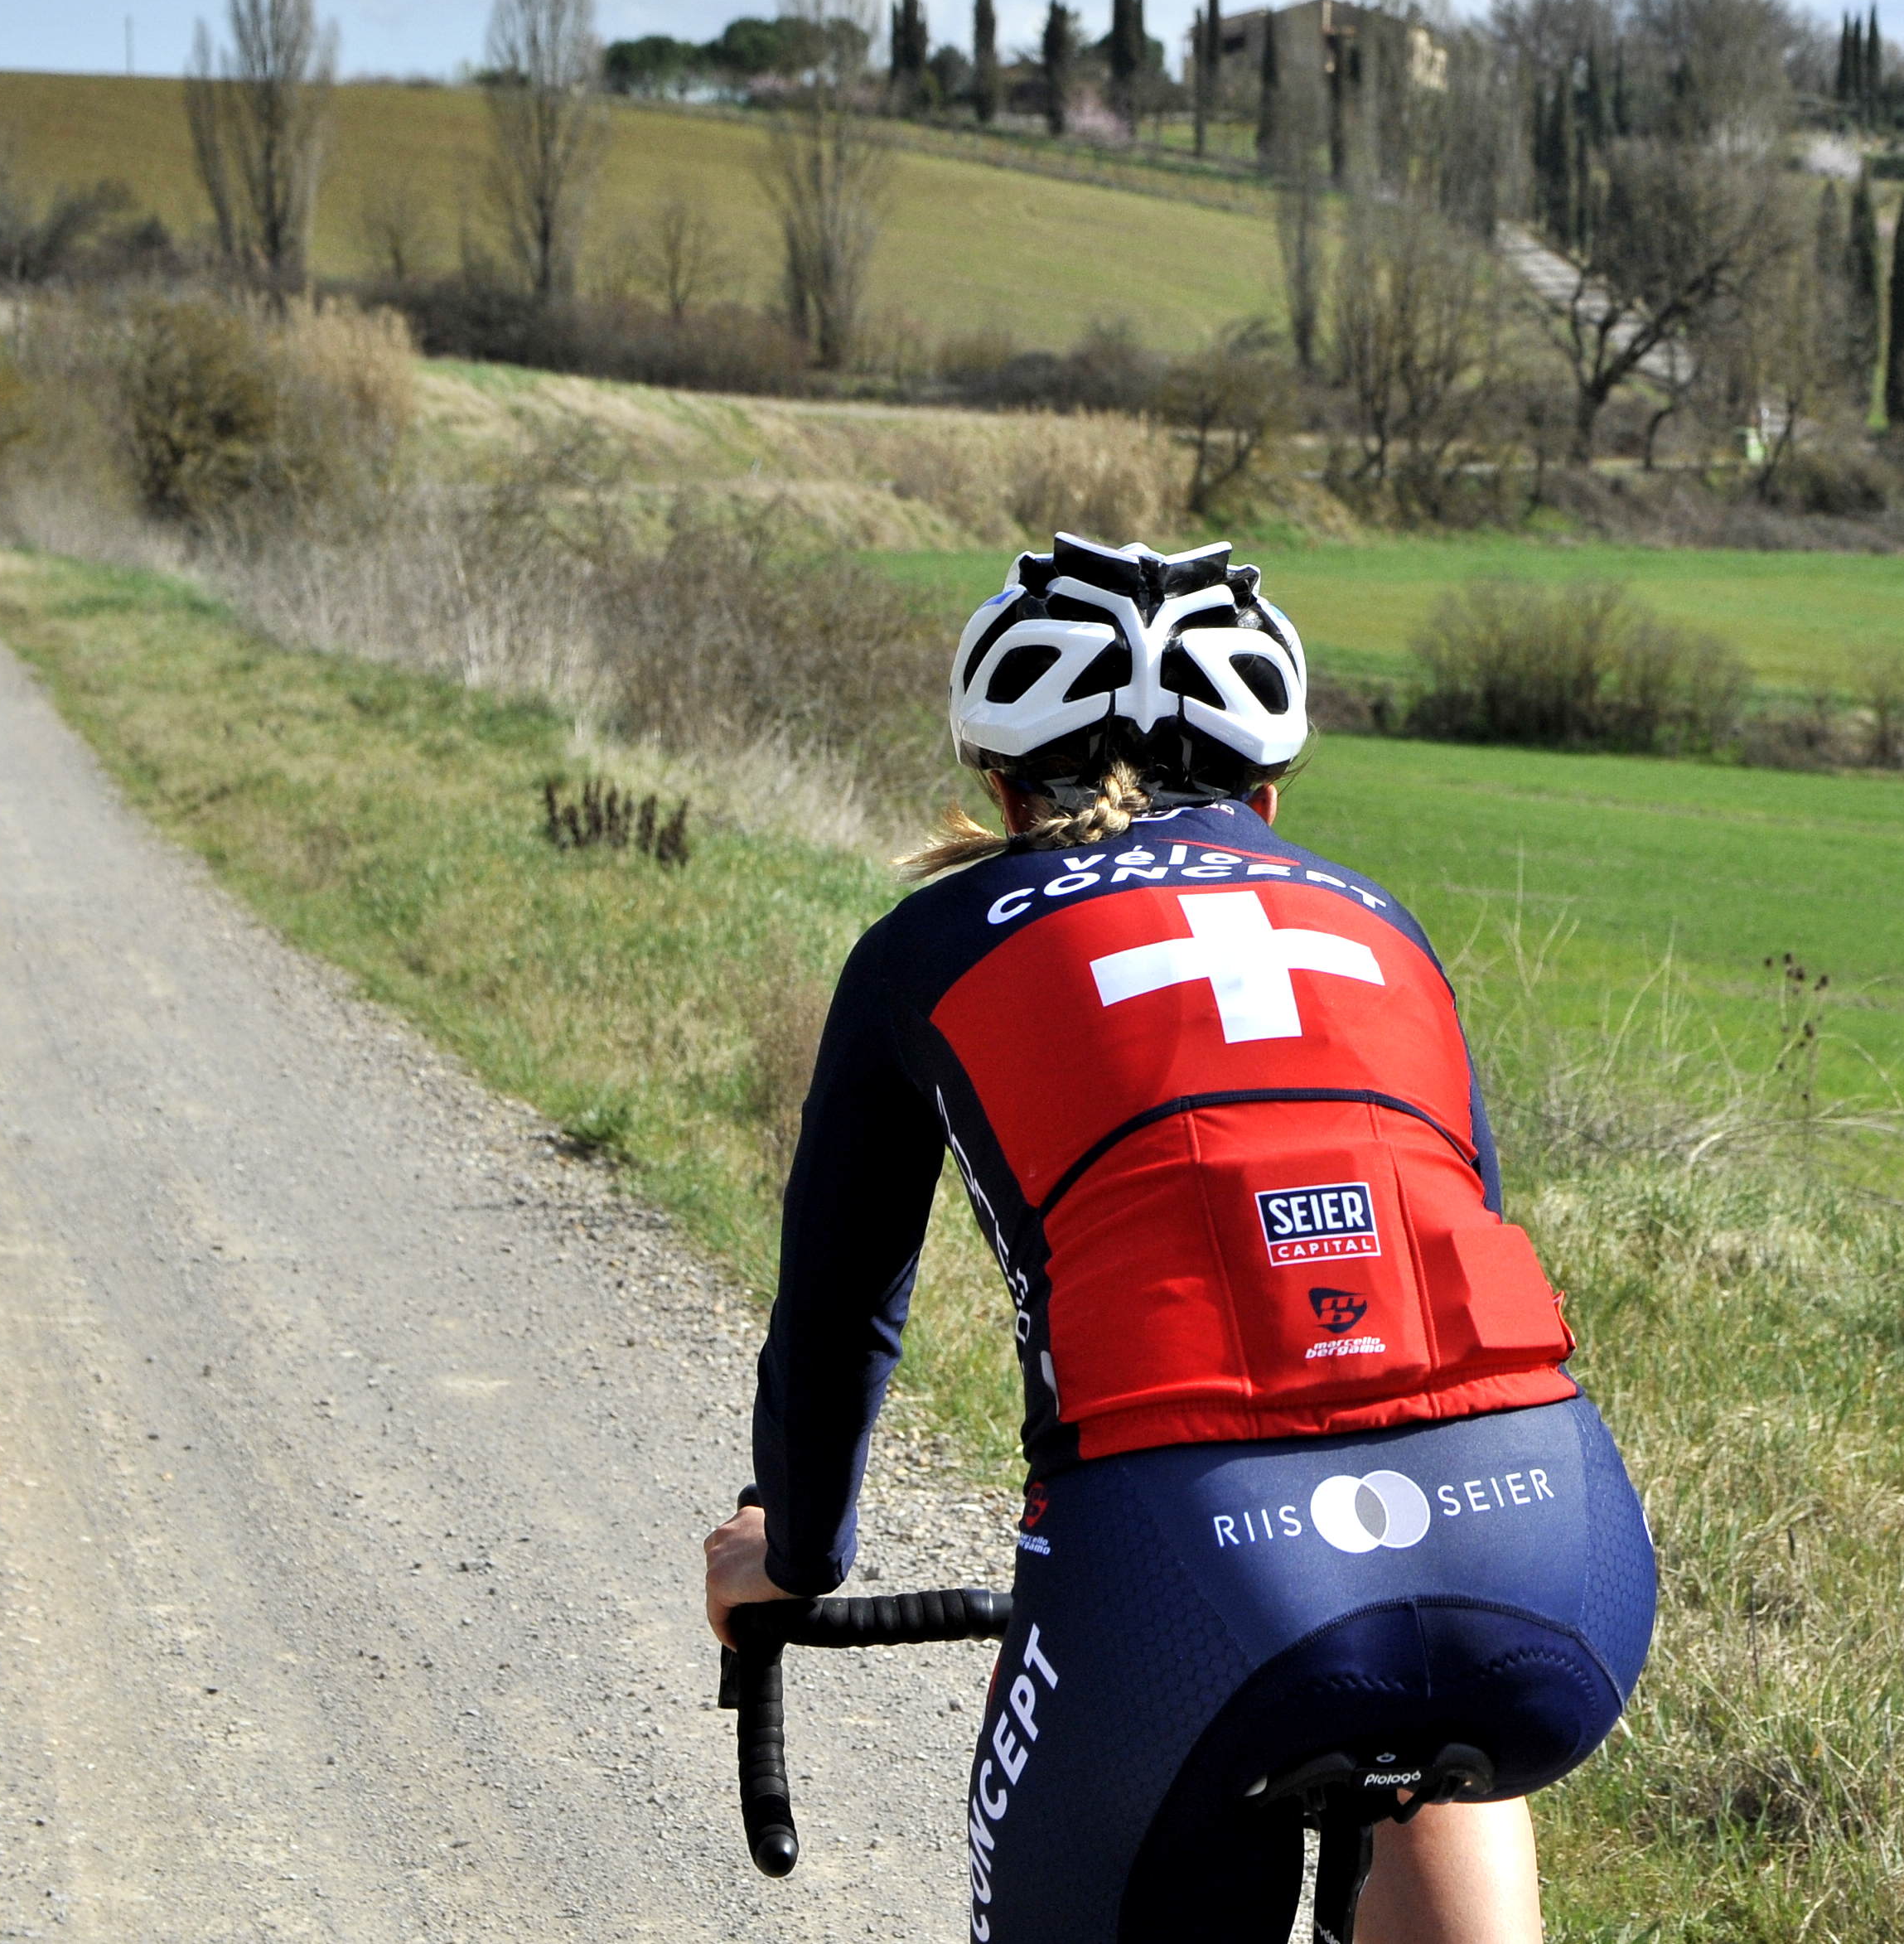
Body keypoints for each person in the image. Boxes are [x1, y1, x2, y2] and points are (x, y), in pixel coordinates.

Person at [704, 535, 1655, 1944]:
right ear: (1267, 789)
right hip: (1553, 1554)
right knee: (1441, 1715)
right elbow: (1464, 1256)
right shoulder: (1380, 923)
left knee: (1148, 1731)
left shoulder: (928, 943)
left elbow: (842, 1304)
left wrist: (793, 1554)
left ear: (999, 783)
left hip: (1186, 1551)